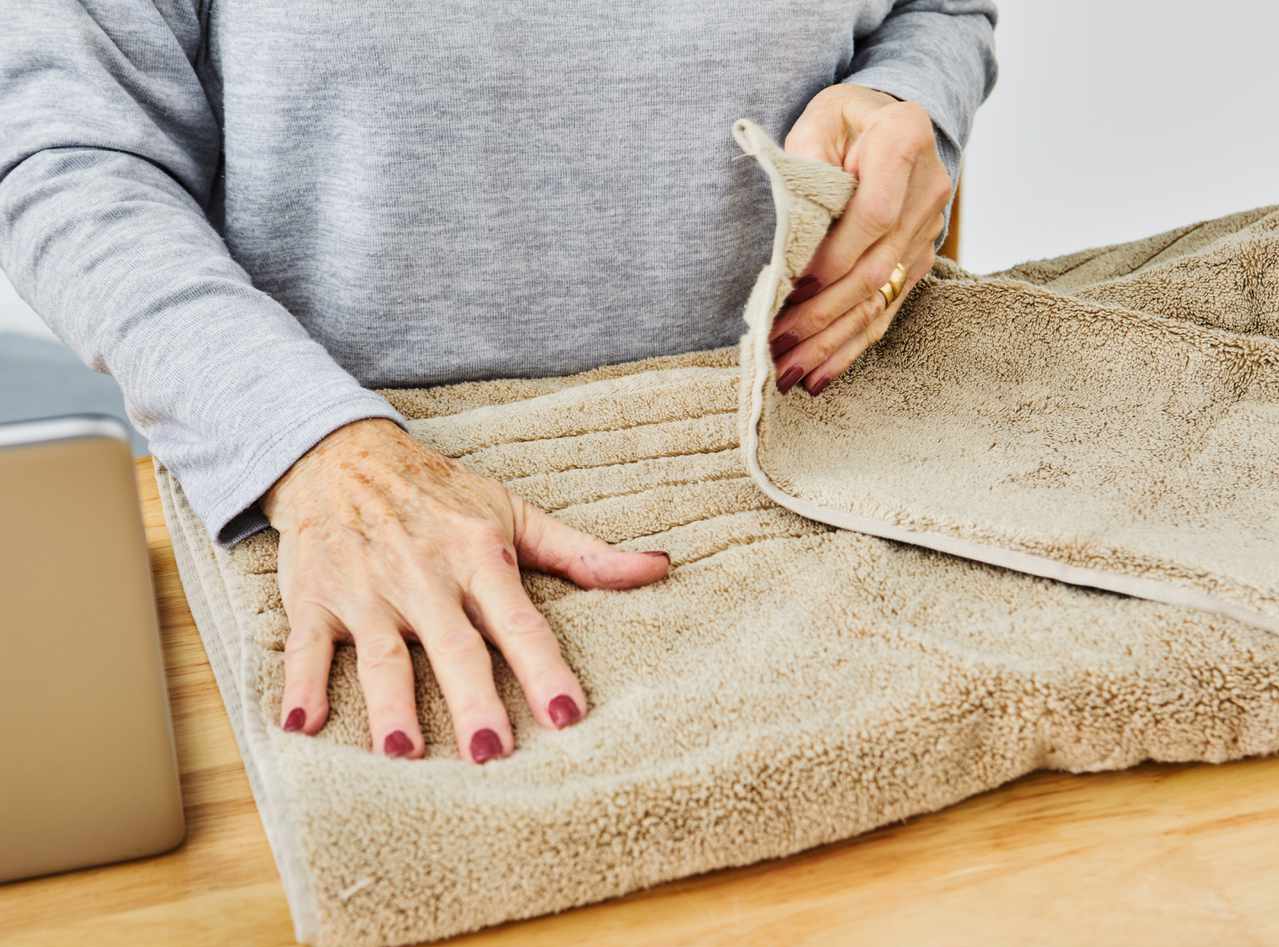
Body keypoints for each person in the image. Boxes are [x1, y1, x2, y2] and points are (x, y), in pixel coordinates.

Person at [0, 2, 998, 763]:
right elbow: (68, 155)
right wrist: (309, 445)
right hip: (346, 526)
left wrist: (917, 101)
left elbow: (938, 10)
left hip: (830, 473)